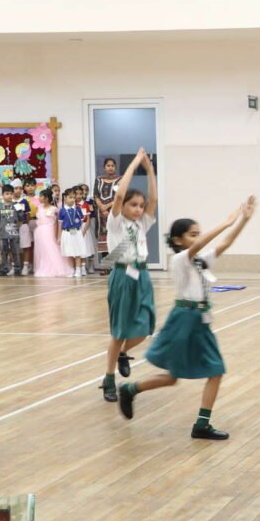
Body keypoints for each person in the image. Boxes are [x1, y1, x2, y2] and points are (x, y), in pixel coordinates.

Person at [118, 197, 256, 440]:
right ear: (178, 240)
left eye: (198, 233)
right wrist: (226, 222)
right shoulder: (180, 260)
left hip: (200, 320)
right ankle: (130, 389)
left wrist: (243, 220)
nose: (198, 238)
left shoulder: (201, 261)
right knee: (174, 377)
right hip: (183, 320)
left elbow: (226, 243)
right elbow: (201, 244)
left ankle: (201, 423)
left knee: (214, 370)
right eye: (192, 234)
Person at [100, 149, 158, 403]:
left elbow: (154, 200)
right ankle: (109, 378)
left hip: (141, 275)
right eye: (133, 205)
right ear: (122, 206)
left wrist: (150, 170)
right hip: (123, 275)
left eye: (140, 206)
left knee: (145, 327)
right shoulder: (116, 223)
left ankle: (123, 353)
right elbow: (120, 194)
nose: (138, 209)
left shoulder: (141, 223)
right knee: (119, 331)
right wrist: (134, 164)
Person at [32, 189, 73, 278]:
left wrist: (58, 234)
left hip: (49, 231)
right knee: (42, 250)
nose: (39, 198)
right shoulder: (39, 207)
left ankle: (57, 268)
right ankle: (43, 266)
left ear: (47, 198)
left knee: (52, 248)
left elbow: (58, 222)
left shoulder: (54, 209)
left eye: (41, 196)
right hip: (39, 231)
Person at [94, 158, 120, 270]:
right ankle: (106, 267)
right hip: (101, 215)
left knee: (115, 238)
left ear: (115, 167)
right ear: (104, 167)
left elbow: (120, 196)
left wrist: (108, 206)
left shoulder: (120, 180)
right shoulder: (98, 180)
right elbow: (95, 195)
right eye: (108, 165)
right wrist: (102, 207)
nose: (110, 168)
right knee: (103, 239)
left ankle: (116, 266)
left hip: (114, 212)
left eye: (112, 165)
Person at [0, 185, 25, 276]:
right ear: (2, 195)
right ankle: (4, 268)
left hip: (14, 232)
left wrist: (17, 226)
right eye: (7, 194)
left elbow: (21, 218)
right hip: (3, 232)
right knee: (4, 251)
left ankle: (17, 269)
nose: (9, 196)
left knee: (15, 250)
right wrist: (1, 226)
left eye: (11, 194)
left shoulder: (17, 205)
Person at [58, 187, 89, 278]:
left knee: (77, 252)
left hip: (76, 233)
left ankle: (78, 270)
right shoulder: (62, 210)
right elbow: (60, 224)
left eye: (74, 198)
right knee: (69, 252)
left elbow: (82, 220)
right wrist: (59, 236)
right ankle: (72, 269)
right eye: (70, 197)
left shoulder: (77, 209)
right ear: (65, 198)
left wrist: (80, 231)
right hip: (67, 233)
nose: (73, 200)